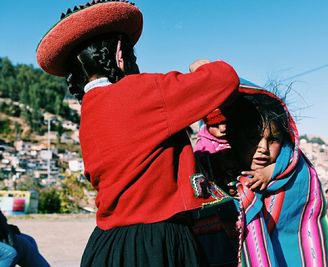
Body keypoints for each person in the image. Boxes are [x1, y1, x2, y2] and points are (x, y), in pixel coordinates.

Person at [36, 1, 239, 266]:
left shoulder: (89, 112)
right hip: (157, 243)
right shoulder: (143, 92)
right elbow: (224, 79)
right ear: (120, 53)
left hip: (106, 246)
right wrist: (201, 67)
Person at [222, 81, 328, 266]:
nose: (263, 149)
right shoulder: (220, 169)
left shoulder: (300, 174)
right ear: (235, 137)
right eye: (253, 138)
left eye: (273, 140)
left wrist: (274, 170)